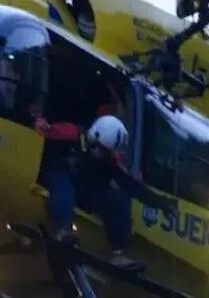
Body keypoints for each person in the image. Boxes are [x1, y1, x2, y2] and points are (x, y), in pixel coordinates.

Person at [34, 84, 172, 271]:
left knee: (117, 199)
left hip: (85, 192)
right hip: (57, 179)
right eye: (101, 149)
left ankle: (119, 255)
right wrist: (39, 123)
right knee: (62, 184)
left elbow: (128, 184)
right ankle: (63, 231)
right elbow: (43, 131)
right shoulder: (70, 133)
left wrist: (160, 202)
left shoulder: (109, 158)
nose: (102, 154)